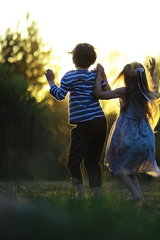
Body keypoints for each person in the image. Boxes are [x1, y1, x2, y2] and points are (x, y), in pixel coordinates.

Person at [45, 43, 110, 199]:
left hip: (84, 125)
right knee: (93, 162)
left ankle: (80, 194)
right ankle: (97, 194)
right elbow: (106, 91)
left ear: (74, 59)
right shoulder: (95, 76)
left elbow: (60, 95)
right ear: (92, 60)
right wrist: (102, 75)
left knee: (73, 162)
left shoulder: (69, 76)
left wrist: (51, 81)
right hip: (100, 122)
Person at [94, 58, 160, 203]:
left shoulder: (124, 92)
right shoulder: (145, 94)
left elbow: (100, 94)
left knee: (118, 170)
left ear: (126, 78)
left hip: (127, 137)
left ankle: (135, 195)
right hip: (144, 138)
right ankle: (140, 201)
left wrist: (99, 74)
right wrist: (152, 74)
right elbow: (156, 92)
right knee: (129, 172)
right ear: (142, 78)